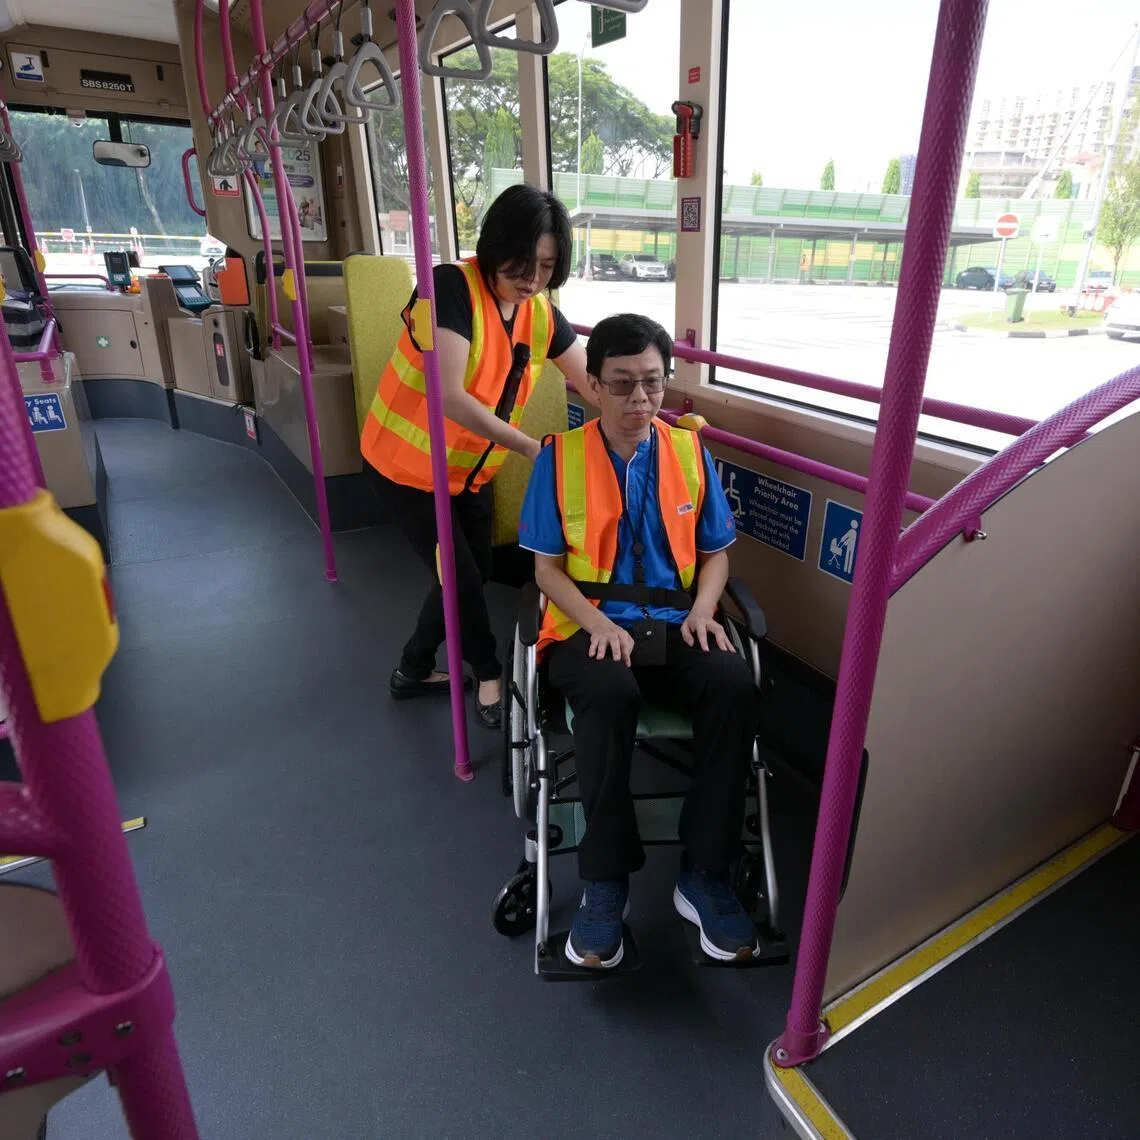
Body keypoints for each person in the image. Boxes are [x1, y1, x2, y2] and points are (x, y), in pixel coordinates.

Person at [517, 313, 761, 969]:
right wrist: (597, 624)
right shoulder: (559, 459)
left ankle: (704, 873)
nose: (640, 399)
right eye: (622, 384)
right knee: (609, 695)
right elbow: (546, 571)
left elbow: (715, 553)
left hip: (675, 621)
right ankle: (605, 882)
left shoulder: (689, 453)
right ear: (592, 385)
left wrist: (705, 609)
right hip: (587, 622)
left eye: (652, 382)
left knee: (733, 684)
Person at [362, 184, 591, 728]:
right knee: (463, 579)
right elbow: (449, 396)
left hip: (468, 473)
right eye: (522, 263)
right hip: (405, 467)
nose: (532, 279)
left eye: (546, 267)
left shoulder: (541, 315)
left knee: (475, 569)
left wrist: (650, 415)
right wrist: (533, 449)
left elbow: (593, 382)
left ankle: (413, 668)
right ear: (495, 246)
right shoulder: (451, 287)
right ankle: (489, 675)